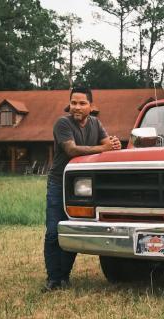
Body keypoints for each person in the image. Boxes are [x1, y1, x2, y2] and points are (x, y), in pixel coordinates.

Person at [43, 87, 121, 292]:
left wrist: (114, 145)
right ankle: (53, 279)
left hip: (82, 188)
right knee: (53, 232)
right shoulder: (63, 123)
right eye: (73, 103)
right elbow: (71, 150)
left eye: (81, 103)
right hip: (59, 183)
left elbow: (108, 146)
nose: (76, 107)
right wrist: (103, 148)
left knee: (71, 230)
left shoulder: (96, 123)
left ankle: (64, 277)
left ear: (91, 106)